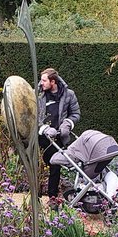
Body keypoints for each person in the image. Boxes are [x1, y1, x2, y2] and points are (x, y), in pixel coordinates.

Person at [36, 67, 81, 200]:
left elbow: (75, 113)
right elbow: (31, 116)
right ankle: (36, 197)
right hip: (41, 137)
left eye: (44, 80)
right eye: (41, 80)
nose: (41, 83)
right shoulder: (38, 95)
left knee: (55, 167)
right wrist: (44, 128)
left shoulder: (69, 95)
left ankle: (53, 198)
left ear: (53, 82)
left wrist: (68, 123)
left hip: (58, 137)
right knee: (37, 167)